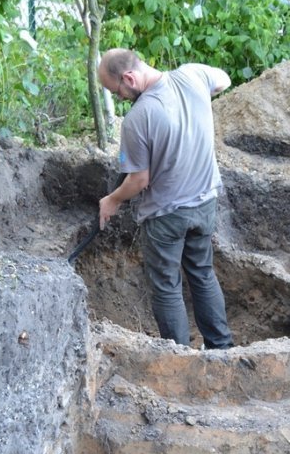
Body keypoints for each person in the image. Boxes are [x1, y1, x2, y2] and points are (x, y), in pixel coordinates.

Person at [98, 48, 234, 349]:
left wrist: (112, 201)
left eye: (116, 89)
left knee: (167, 288)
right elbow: (223, 80)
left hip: (166, 216)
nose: (119, 97)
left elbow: (139, 180)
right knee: (202, 274)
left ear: (129, 77)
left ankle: (180, 357)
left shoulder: (138, 118)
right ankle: (221, 348)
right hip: (205, 204)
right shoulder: (193, 75)